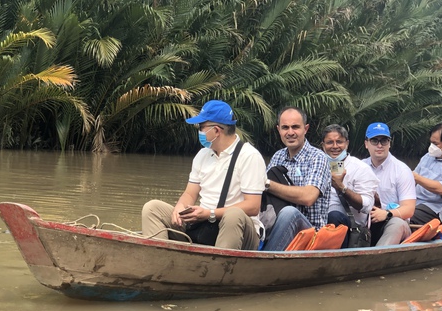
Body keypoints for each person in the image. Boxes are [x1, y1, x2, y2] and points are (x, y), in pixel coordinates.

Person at [141, 100, 266, 250]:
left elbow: (253, 206)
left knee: (233, 215)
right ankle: (161, 263)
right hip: (202, 225)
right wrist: (179, 207)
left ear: (217, 130)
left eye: (201, 127)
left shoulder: (249, 156)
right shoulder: (202, 155)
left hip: (238, 229)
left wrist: (209, 213)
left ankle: (220, 269)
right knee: (152, 208)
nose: (199, 131)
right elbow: (190, 193)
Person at [262, 107, 331, 251]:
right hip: (277, 225)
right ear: (278, 130)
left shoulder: (318, 157)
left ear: (305, 129)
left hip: (311, 232)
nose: (290, 132)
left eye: (295, 127)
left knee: (289, 213)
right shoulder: (278, 156)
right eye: (285, 127)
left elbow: (308, 197)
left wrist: (266, 183)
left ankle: (265, 263)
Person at [320, 124, 379, 246]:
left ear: (346, 143)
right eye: (330, 142)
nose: (335, 146)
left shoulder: (361, 168)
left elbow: (367, 206)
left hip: (351, 228)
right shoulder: (317, 165)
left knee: (334, 216)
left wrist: (342, 188)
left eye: (339, 142)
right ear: (323, 145)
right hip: (318, 222)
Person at [362, 122, 416, 245]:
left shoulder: (402, 170)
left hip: (393, 222)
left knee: (397, 224)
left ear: (389, 143)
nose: (380, 145)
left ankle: (378, 260)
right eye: (375, 141)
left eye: (384, 141)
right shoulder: (359, 167)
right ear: (366, 144)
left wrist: (386, 214)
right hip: (366, 222)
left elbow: (409, 209)